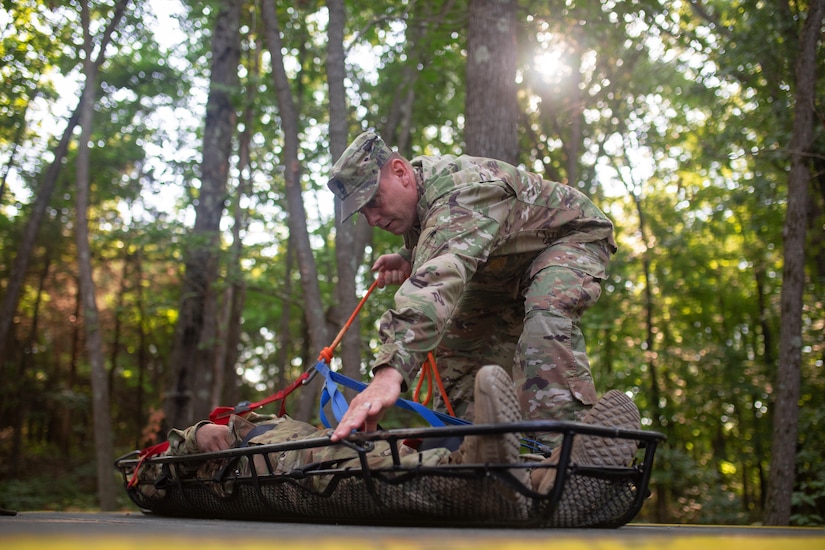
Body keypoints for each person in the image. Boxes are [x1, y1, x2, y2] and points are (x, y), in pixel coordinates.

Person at [326, 131, 617, 448]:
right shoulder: (422, 199)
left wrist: (388, 374)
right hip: (501, 265)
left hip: (569, 240)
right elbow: (449, 238)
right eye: (362, 212)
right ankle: (470, 457)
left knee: (543, 325)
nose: (372, 219)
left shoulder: (460, 192)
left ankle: (563, 455)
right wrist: (409, 256)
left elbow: (438, 277)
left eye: (374, 201)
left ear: (400, 172)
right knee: (457, 347)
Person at [131, 365, 642, 523]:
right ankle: (504, 484)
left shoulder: (278, 423)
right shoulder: (214, 447)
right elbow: (145, 480)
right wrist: (195, 437)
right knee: (352, 468)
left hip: (330, 456)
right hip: (281, 476)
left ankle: (536, 477)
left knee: (395, 457)